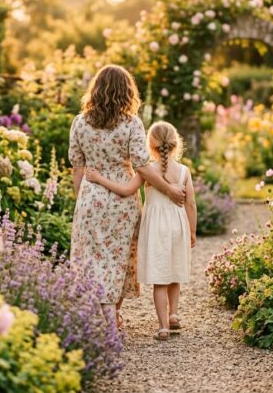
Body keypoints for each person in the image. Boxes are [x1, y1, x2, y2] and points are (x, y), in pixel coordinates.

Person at [68, 65, 186, 328]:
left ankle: (105, 315)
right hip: (122, 201)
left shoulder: (79, 122)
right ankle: (114, 314)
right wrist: (169, 189)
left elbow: (77, 166)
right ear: (127, 92)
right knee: (119, 258)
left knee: (92, 257)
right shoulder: (131, 124)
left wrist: (82, 199)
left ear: (95, 90)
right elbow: (143, 166)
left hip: (91, 197)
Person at [85, 121, 197, 341]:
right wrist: (192, 231)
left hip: (155, 228)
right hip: (177, 225)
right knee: (175, 272)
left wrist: (99, 179)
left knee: (160, 280)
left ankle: (163, 327)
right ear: (175, 144)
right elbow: (191, 204)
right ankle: (174, 314)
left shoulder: (147, 171)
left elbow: (126, 190)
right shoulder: (184, 171)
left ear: (151, 145)